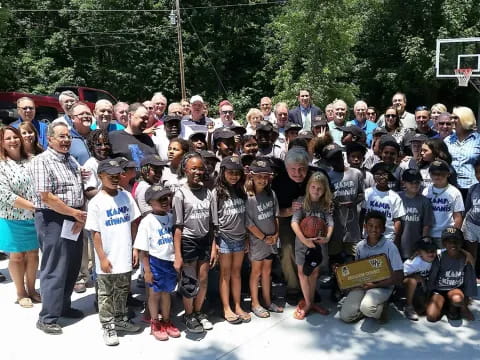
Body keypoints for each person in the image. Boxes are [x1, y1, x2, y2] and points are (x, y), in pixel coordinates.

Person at [30, 121, 87, 335]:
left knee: (71, 265)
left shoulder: (70, 159)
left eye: (68, 137)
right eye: (61, 137)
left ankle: (63, 306)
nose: (66, 140)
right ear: (50, 139)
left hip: (74, 216)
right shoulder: (41, 161)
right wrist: (74, 213)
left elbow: (78, 188)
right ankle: (47, 317)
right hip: (53, 218)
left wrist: (79, 215)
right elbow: (46, 197)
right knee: (54, 267)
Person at [85, 159, 141, 346]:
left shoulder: (126, 196)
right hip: (107, 256)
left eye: (118, 174)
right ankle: (108, 325)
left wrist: (135, 248)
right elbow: (95, 233)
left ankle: (120, 318)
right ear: (101, 176)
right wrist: (101, 258)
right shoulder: (96, 203)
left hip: (124, 253)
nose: (115, 178)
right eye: (111, 176)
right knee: (105, 293)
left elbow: (133, 223)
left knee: (123, 290)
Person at [172, 152, 216, 333]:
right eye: (193, 168)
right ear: (185, 170)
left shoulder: (209, 193)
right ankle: (188, 315)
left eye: (200, 168)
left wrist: (214, 247)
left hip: (205, 240)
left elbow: (213, 225)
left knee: (203, 279)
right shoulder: (180, 194)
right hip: (188, 241)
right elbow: (178, 227)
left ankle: (199, 312)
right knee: (190, 282)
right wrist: (178, 255)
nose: (197, 172)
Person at [134, 184, 181, 341]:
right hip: (155, 262)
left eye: (167, 197)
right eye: (160, 199)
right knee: (154, 294)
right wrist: (147, 270)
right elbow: (143, 250)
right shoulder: (147, 221)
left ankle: (166, 320)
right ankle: (155, 322)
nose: (165, 201)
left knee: (167, 292)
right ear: (150, 202)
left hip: (169, 261)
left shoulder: (171, 217)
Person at [340, 211, 404, 324]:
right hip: (364, 285)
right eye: (370, 226)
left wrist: (375, 285)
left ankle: (380, 308)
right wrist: (345, 278)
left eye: (378, 227)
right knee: (346, 316)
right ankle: (368, 310)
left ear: (383, 229)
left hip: (383, 286)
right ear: (365, 227)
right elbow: (357, 271)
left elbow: (399, 276)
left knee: (367, 307)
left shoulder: (390, 247)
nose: (374, 229)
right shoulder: (360, 246)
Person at [0, 126, 39, 308]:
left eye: (15, 137)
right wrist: (32, 206)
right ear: (2, 142)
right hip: (12, 217)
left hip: (34, 217)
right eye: (8, 138)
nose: (13, 141)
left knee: (33, 254)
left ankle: (32, 290)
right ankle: (21, 292)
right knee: (17, 257)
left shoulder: (31, 160)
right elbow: (4, 194)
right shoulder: (1, 165)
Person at [212, 156, 251, 324]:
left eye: (237, 173)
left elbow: (247, 216)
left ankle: (237, 305)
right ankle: (226, 307)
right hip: (225, 238)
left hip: (241, 238)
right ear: (223, 172)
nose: (234, 176)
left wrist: (248, 238)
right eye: (230, 173)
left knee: (237, 273)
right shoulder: (217, 192)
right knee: (225, 274)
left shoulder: (242, 191)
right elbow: (213, 220)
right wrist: (215, 243)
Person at [291, 172, 333, 320]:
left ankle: (311, 302)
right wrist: (305, 240)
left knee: (314, 273)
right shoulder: (302, 202)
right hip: (302, 244)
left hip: (318, 245)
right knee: (302, 273)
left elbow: (330, 222)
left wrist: (327, 237)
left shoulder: (325, 204)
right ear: (309, 187)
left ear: (325, 190)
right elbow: (294, 223)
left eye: (320, 188)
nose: (316, 190)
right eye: (313, 187)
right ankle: (308, 303)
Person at [245, 159, 283, 318]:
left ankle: (267, 301)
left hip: (271, 241)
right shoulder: (249, 197)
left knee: (267, 272)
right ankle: (255, 303)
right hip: (257, 241)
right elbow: (249, 223)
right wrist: (264, 237)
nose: (262, 180)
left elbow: (276, 216)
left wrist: (275, 235)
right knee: (256, 272)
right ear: (252, 176)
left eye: (266, 176)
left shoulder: (271, 193)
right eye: (259, 176)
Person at [426, 228, 476, 322]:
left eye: (456, 241)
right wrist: (429, 295)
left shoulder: (466, 259)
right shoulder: (439, 257)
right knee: (431, 317)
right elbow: (432, 277)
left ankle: (453, 308)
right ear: (444, 244)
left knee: (457, 299)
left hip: (455, 289)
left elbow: (469, 281)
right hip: (439, 290)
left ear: (461, 243)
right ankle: (445, 305)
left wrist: (465, 305)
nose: (453, 244)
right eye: (449, 242)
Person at [422, 160, 464, 248]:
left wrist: (454, 235)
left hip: (447, 235)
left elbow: (458, 217)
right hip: (429, 234)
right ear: (429, 174)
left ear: (448, 174)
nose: (437, 176)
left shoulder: (454, 192)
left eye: (441, 173)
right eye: (434, 173)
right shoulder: (426, 191)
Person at [363, 162, 405, 244]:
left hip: (387, 238)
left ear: (389, 176)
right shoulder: (368, 193)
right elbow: (363, 214)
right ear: (374, 177)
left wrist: (395, 239)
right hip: (369, 237)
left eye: (384, 174)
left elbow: (397, 220)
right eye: (378, 174)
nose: (382, 177)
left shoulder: (395, 196)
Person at [445, 106, 480, 200]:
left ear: (466, 119)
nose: (452, 120)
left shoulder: (478, 140)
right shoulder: (447, 140)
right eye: (451, 118)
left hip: (473, 188)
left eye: (455, 118)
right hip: (451, 188)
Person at [398, 169, 434, 259]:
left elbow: (426, 226)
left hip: (415, 245)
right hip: (398, 243)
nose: (414, 185)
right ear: (404, 183)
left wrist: (422, 247)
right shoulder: (397, 197)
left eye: (417, 182)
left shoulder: (425, 201)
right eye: (411, 182)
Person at [402, 239, 437, 320]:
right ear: (419, 252)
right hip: (408, 287)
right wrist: (415, 276)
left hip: (423, 287)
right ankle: (408, 306)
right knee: (412, 281)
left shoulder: (437, 256)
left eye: (433, 250)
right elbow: (400, 276)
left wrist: (467, 253)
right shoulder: (414, 263)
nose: (431, 253)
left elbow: (448, 249)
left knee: (424, 309)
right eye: (427, 250)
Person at [462, 158, 480, 264]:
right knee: (471, 255)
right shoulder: (473, 188)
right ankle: (471, 276)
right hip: (471, 225)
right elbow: (467, 208)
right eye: (477, 172)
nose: (479, 175)